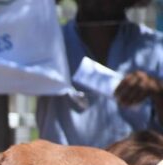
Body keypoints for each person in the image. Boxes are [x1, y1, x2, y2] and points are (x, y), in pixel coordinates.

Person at [37, 0, 163, 148]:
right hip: (61, 161)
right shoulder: (48, 47)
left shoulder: (155, 49)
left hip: (133, 162)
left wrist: (157, 90)